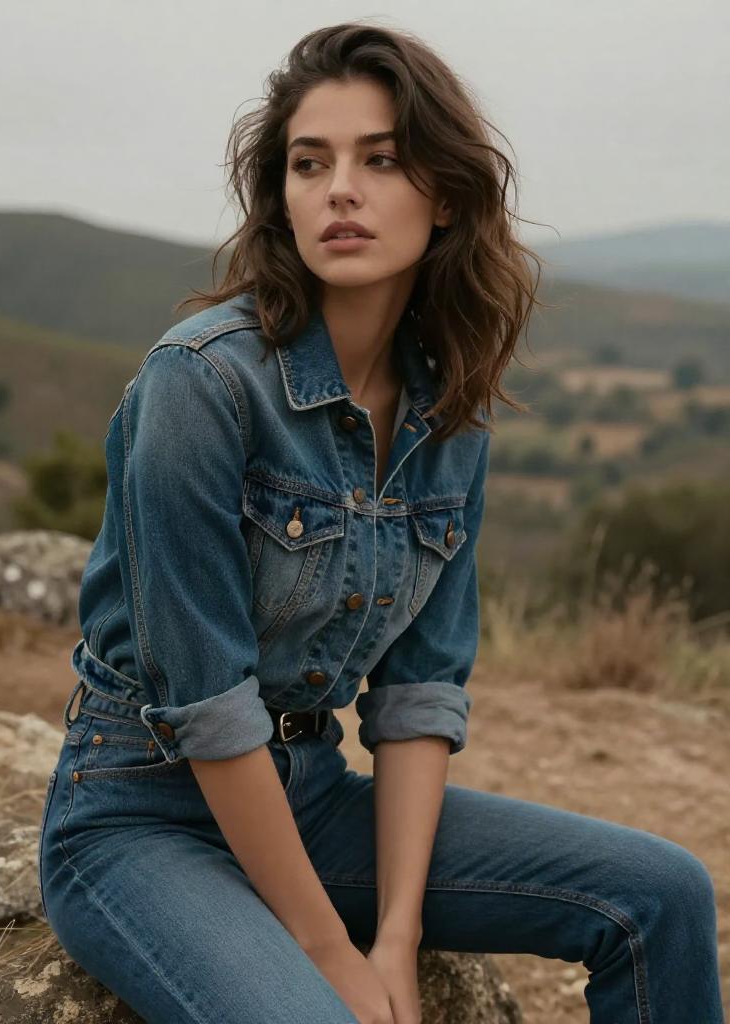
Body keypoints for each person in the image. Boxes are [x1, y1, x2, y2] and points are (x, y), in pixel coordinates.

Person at [38, 20, 724, 1024]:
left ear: (443, 194)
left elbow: (419, 698)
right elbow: (210, 710)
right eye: (309, 164)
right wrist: (329, 950)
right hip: (142, 815)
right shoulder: (200, 387)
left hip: (312, 796)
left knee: (662, 894)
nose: (338, 190)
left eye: (381, 159)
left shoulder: (450, 412)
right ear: (281, 196)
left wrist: (396, 937)